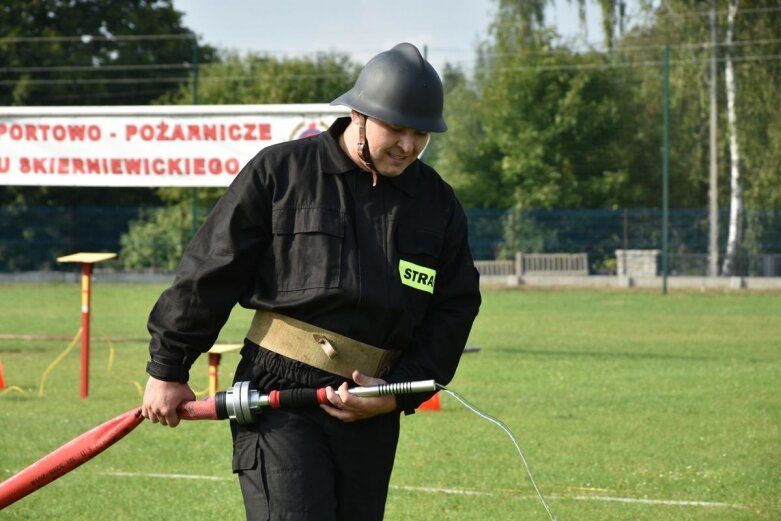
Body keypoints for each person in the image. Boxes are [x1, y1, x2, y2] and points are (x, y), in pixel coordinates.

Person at [141, 42, 481, 521]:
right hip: (277, 394)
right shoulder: (281, 171)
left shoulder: (437, 202)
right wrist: (168, 368)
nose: (408, 146)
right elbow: (211, 270)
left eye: (420, 134)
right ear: (358, 116)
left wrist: (398, 392)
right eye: (396, 130)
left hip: (373, 404)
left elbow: (456, 307)